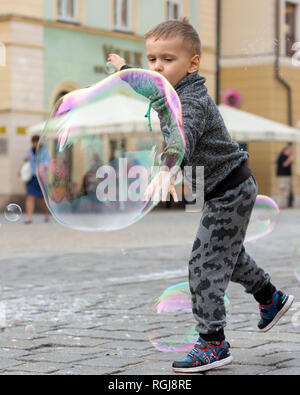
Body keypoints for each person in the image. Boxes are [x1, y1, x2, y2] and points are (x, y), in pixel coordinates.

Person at [108, 17, 295, 374]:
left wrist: (166, 167)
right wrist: (125, 69)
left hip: (229, 190)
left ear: (193, 63)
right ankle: (271, 298)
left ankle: (213, 342)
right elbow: (149, 85)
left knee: (204, 263)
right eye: (152, 59)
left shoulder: (191, 99)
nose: (158, 67)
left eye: (167, 59)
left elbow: (182, 135)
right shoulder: (167, 90)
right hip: (225, 189)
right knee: (228, 255)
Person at [24, 135, 50, 224]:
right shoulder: (29, 151)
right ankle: (29, 217)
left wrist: (43, 166)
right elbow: (25, 161)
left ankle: (47, 213)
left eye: (36, 141)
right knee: (30, 196)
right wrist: (26, 158)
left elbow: (47, 163)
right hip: (31, 177)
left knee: (43, 198)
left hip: (41, 178)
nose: (35, 143)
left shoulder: (44, 151)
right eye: (33, 142)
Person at [276, 143, 294, 209]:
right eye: (290, 150)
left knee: (287, 191)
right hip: (283, 176)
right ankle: (282, 205)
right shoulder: (282, 156)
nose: (291, 152)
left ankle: (285, 204)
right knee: (284, 191)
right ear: (286, 150)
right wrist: (290, 159)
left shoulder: (286, 156)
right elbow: (284, 165)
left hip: (287, 176)